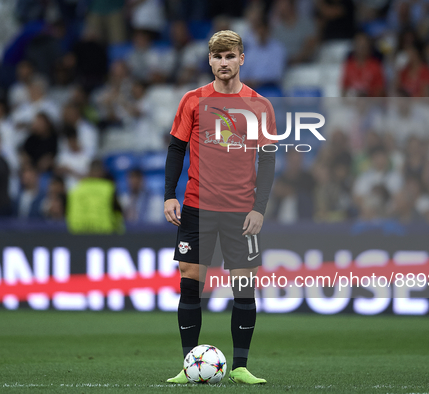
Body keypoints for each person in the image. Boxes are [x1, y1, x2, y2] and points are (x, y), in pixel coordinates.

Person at [164, 30, 276, 385]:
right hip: (198, 206)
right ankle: (188, 365)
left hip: (242, 211)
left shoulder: (259, 105)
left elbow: (268, 159)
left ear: (242, 58)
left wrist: (259, 208)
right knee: (190, 280)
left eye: (230, 56)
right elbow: (176, 149)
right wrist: (169, 194)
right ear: (209, 61)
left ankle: (240, 366)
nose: (224, 62)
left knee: (244, 284)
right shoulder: (193, 100)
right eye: (217, 57)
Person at [66, 159, 124, 234]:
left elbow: (68, 214)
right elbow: (117, 213)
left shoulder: (74, 190)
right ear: (102, 172)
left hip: (78, 235)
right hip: (104, 235)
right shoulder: (109, 188)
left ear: (89, 172)